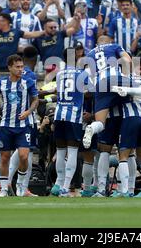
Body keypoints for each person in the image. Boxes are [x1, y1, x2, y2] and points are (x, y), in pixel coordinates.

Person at [0, 54, 39, 197]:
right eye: (17, 67)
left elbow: (36, 100)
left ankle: (20, 185)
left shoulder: (28, 82)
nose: (20, 69)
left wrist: (28, 111)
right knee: (5, 157)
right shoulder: (0, 83)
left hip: (24, 125)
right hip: (6, 125)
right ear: (9, 68)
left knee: (24, 156)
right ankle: (3, 189)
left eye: (22, 67)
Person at [52, 47, 90, 197]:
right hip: (73, 116)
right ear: (77, 57)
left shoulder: (59, 74)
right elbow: (89, 93)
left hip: (59, 114)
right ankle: (65, 186)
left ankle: (58, 183)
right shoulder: (82, 74)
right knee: (72, 152)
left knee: (60, 152)